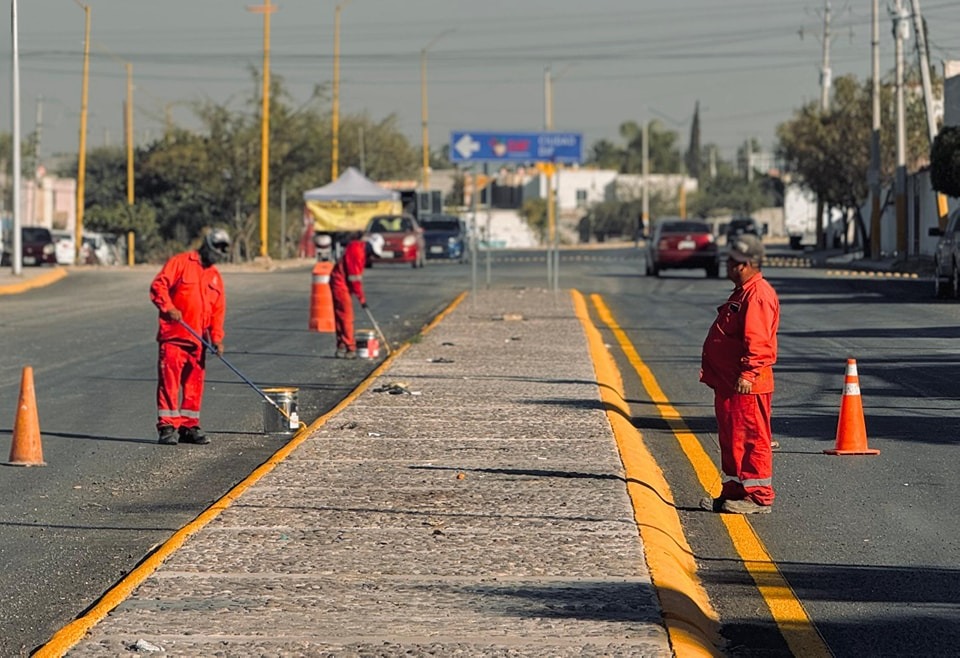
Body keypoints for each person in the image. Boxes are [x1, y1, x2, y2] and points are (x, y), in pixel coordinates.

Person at [699, 234, 780, 514]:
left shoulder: (757, 295)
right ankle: (735, 491)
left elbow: (758, 342)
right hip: (731, 384)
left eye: (731, 260)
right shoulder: (743, 292)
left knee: (751, 440)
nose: (727, 265)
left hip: (747, 385)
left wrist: (747, 374)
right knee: (733, 440)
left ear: (744, 264)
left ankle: (758, 497)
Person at [149, 228, 231, 446]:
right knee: (170, 383)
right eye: (216, 250)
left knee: (194, 385)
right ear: (207, 245)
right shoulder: (181, 263)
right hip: (174, 336)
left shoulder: (214, 276)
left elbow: (217, 311)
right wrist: (169, 307)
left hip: (198, 341)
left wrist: (216, 338)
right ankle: (167, 426)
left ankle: (189, 426)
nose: (217, 255)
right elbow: (159, 286)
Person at [330, 232, 384, 358]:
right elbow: (354, 278)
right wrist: (362, 299)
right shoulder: (357, 253)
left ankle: (342, 345)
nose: (372, 257)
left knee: (341, 315)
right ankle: (350, 348)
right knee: (346, 316)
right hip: (340, 283)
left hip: (340, 282)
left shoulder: (358, 248)